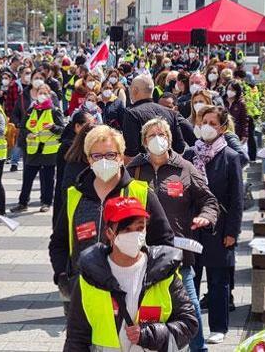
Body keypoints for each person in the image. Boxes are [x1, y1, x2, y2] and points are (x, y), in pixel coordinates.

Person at [48, 125, 174, 314]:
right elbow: (58, 242)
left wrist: (149, 280)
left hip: (131, 293)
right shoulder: (75, 196)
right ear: (88, 159)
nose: (104, 161)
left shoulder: (140, 193)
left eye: (110, 155)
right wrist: (63, 276)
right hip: (83, 293)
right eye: (97, 156)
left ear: (121, 157)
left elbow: (164, 241)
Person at [127, 117, 220, 352]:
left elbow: (209, 200)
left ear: (169, 139)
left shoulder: (185, 168)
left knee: (191, 309)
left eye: (162, 134)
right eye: (151, 135)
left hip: (178, 253)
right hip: (140, 253)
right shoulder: (133, 170)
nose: (158, 139)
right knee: (143, 308)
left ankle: (198, 349)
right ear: (144, 141)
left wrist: (205, 217)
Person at [63, 197, 198, 351]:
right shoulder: (91, 276)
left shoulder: (163, 271)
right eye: (126, 229)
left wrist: (150, 334)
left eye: (140, 228)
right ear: (109, 233)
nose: (134, 235)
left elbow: (189, 323)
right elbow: (76, 336)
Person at [183, 106, 244, 345]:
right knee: (191, 278)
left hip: (219, 228)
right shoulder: (189, 154)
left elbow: (237, 198)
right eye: (203, 120)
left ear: (222, 128)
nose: (206, 125)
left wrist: (232, 232)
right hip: (191, 227)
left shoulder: (230, 157)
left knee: (218, 279)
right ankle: (191, 325)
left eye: (212, 122)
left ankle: (219, 326)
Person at [11, 83, 64, 214]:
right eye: (40, 92)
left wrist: (53, 127)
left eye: (44, 93)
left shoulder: (54, 110)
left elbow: (62, 130)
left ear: (49, 95)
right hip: (33, 150)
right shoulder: (31, 110)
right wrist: (27, 133)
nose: (42, 95)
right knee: (28, 178)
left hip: (48, 151)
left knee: (48, 179)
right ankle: (23, 203)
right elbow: (22, 127)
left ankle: (46, 202)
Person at [122, 75, 191, 161]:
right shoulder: (171, 113)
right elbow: (180, 147)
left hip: (144, 171)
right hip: (170, 168)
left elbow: (130, 153)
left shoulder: (132, 114)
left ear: (135, 90)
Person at [53, 112, 96, 225]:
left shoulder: (88, 146)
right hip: (69, 199)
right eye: (89, 126)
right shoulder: (69, 147)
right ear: (77, 127)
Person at [224, 80, 249, 150]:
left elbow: (245, 120)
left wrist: (245, 135)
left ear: (237, 91)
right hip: (223, 133)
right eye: (229, 89)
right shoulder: (222, 101)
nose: (230, 91)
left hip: (237, 133)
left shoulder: (241, 104)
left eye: (232, 90)